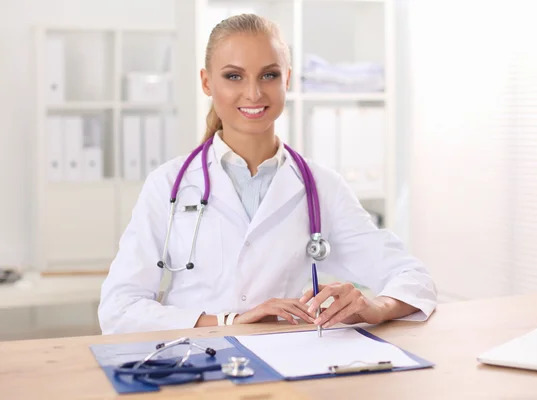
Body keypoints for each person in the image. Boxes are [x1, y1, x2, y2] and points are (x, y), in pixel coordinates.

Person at [98, 14, 437, 335]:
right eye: (234, 76)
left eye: (269, 75)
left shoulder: (321, 187)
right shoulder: (168, 184)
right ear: (206, 82)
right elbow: (118, 308)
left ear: (287, 78)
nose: (254, 93)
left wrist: (375, 306)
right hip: (191, 361)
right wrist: (229, 321)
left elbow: (412, 277)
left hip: (283, 362)